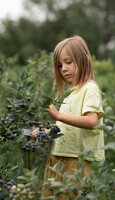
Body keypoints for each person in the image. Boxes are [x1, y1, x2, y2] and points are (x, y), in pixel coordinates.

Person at [32, 36, 104, 199]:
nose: (63, 68)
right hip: (57, 159)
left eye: (68, 62)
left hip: (75, 161)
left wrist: (58, 115)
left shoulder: (89, 89)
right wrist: (45, 131)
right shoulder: (69, 93)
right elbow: (64, 126)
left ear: (84, 60)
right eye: (59, 65)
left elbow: (92, 121)